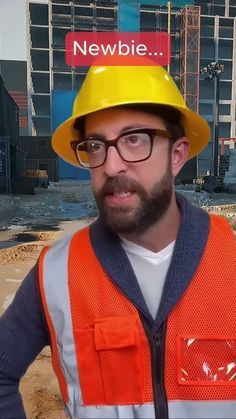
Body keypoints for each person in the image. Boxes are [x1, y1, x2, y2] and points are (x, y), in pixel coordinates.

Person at [0, 58, 235, 419]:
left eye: (135, 139)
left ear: (177, 154)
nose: (111, 166)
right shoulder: (57, 274)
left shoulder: (231, 262)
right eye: (95, 145)